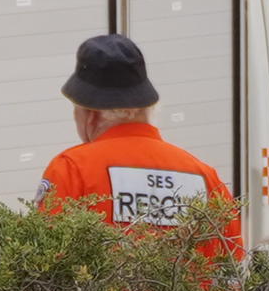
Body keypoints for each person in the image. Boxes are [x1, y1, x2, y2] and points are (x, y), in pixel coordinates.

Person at [34, 34, 239, 275]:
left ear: (91, 113)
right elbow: (231, 274)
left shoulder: (72, 169)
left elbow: (46, 269)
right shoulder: (205, 177)